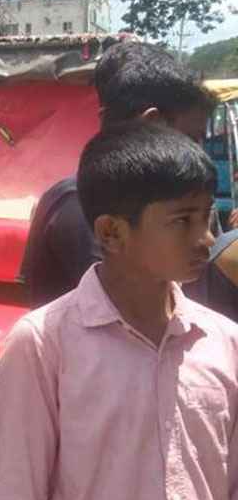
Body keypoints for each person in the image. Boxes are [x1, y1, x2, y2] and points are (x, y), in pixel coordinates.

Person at [0, 121, 238, 500]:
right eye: (182, 221)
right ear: (112, 232)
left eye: (206, 217)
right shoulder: (42, 344)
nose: (206, 239)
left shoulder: (225, 342)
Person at [20, 41, 215, 305]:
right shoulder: (80, 203)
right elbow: (133, 312)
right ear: (152, 123)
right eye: (193, 138)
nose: (206, 240)